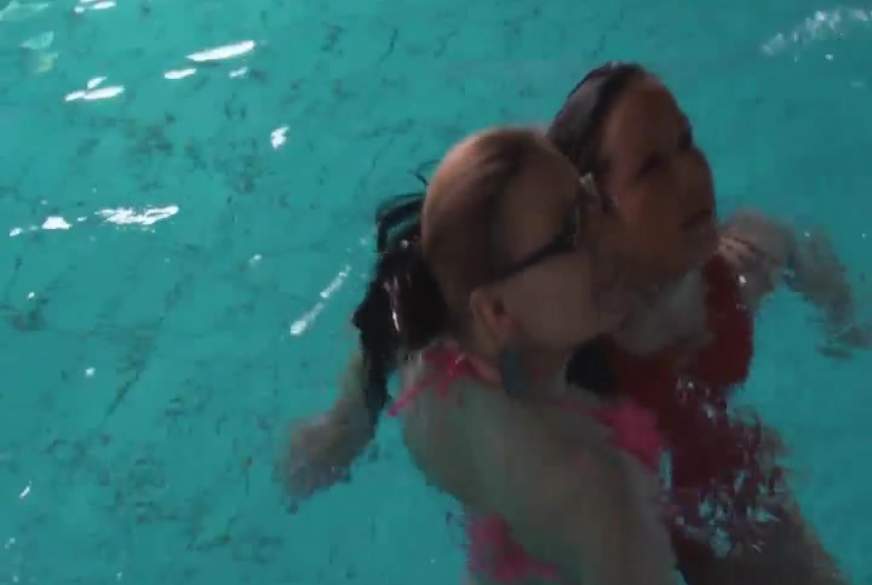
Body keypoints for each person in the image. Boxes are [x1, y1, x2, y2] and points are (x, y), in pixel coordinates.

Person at [281, 63, 864, 584]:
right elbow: (425, 284)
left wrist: (844, 316)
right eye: (651, 169)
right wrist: (350, 416)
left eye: (687, 142)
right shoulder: (564, 316)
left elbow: (791, 243)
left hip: (703, 464)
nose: (692, 177)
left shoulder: (724, 272)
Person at [336, 126, 680, 585]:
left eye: (588, 193)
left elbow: (390, 300)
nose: (608, 226)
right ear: (497, 311)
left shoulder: (426, 348)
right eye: (572, 230)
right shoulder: (598, 494)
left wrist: (346, 420)